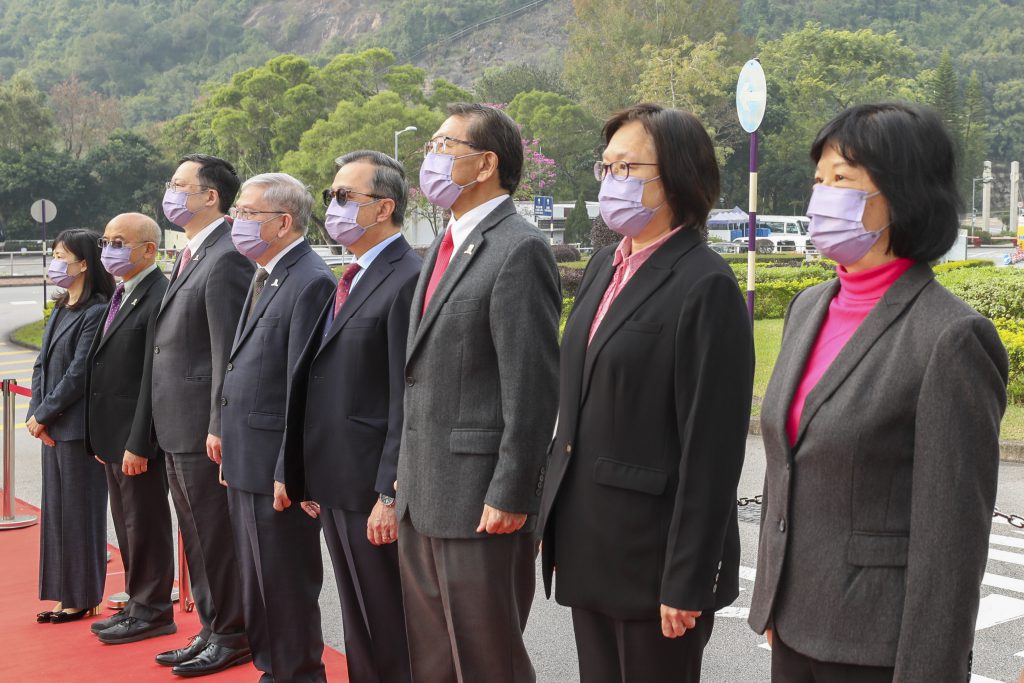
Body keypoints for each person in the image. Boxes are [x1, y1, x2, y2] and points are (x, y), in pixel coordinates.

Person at [747, 102, 1008, 682]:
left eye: (843, 179)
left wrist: (928, 669)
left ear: (904, 192)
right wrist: (775, 592)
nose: (822, 195)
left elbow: (951, 542)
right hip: (793, 626)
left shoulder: (951, 336)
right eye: (819, 179)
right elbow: (789, 466)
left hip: (877, 648)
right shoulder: (808, 307)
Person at [537, 103, 754, 682]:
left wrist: (688, 577)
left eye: (628, 168)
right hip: (590, 542)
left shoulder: (704, 283)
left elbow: (711, 449)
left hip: (652, 558)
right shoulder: (608, 262)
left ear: (678, 177)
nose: (612, 182)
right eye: (605, 167)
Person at [396, 103, 560, 683]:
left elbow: (532, 387)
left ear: (485, 163)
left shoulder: (518, 247)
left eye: (444, 145)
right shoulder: (445, 243)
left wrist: (513, 492)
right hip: (423, 490)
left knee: (488, 660)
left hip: (479, 500)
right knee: (434, 654)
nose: (431, 159)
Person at [282, 151, 422, 683]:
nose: (332, 206)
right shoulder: (354, 273)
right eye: (330, 196)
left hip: (371, 484)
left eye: (345, 197)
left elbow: (404, 395)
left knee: (388, 620)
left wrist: (390, 490)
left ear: (384, 207)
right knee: (359, 617)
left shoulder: (405, 276)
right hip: (337, 478)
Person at [219, 173, 336, 683]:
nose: (234, 222)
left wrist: (291, 468)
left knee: (285, 583)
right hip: (249, 458)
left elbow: (302, 386)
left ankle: (297, 674)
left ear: (283, 222)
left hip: (277, 468)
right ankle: (272, 671)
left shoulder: (310, 279)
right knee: (258, 583)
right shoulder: (266, 271)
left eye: (245, 213)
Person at [145, 154, 255, 676]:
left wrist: (218, 423)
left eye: (178, 184)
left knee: (214, 536)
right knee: (195, 534)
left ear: (210, 195)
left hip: (200, 428)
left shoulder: (228, 254)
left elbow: (224, 353)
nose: (169, 192)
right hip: (176, 423)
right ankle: (212, 626)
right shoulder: (193, 252)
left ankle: (233, 632)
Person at [84, 213, 175, 644]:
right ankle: (138, 603)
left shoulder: (158, 295)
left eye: (119, 242)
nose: (109, 250)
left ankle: (154, 609)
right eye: (106, 241)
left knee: (146, 524)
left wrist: (139, 441)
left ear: (148, 250)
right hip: (112, 435)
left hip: (137, 439)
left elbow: (151, 378)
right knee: (127, 525)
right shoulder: (123, 292)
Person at [27, 228, 115, 624]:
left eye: (63, 255)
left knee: (81, 513)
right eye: (54, 253)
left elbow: (79, 373)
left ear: (83, 263)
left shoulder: (97, 311)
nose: (55, 261)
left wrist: (46, 413)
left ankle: (83, 596)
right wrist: (37, 413)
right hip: (53, 429)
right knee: (58, 513)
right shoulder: (62, 306)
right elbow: (41, 365)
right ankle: (63, 594)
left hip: (78, 429)